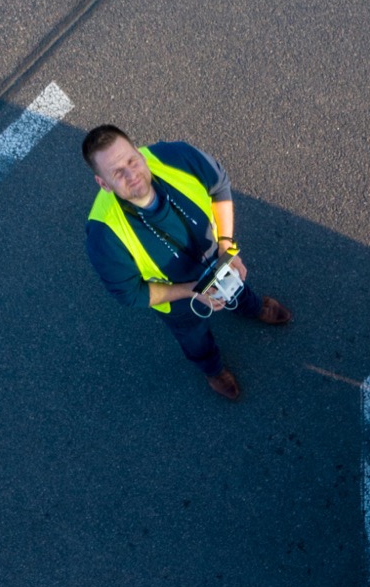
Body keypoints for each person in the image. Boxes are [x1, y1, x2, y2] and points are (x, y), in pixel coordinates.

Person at [82, 126, 291, 401]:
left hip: (218, 259)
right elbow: (131, 293)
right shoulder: (103, 235)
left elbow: (219, 185)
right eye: (118, 173)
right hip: (178, 300)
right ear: (104, 184)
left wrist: (226, 247)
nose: (132, 175)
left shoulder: (175, 157)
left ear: (139, 152)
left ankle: (254, 307)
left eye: (132, 160)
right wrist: (193, 291)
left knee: (236, 289)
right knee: (193, 336)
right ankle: (213, 369)